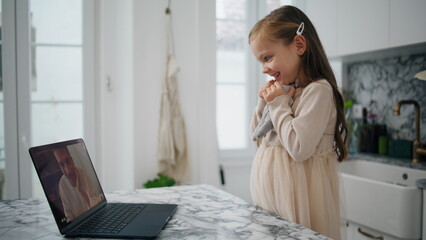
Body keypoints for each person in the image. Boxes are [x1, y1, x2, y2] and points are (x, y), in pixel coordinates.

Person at [248, 5, 347, 239]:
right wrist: (264, 101)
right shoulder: (286, 92)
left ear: (299, 45)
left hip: (301, 200)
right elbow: (257, 136)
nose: (264, 68)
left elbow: (299, 149)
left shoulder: (318, 91)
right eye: (260, 61)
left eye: (268, 57)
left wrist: (278, 104)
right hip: (274, 197)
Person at [54, 147, 103, 222]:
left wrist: (80, 190)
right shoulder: (62, 184)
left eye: (68, 161)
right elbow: (68, 217)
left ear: (72, 161)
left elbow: (97, 202)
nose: (68, 171)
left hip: (94, 218)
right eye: (61, 165)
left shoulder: (82, 173)